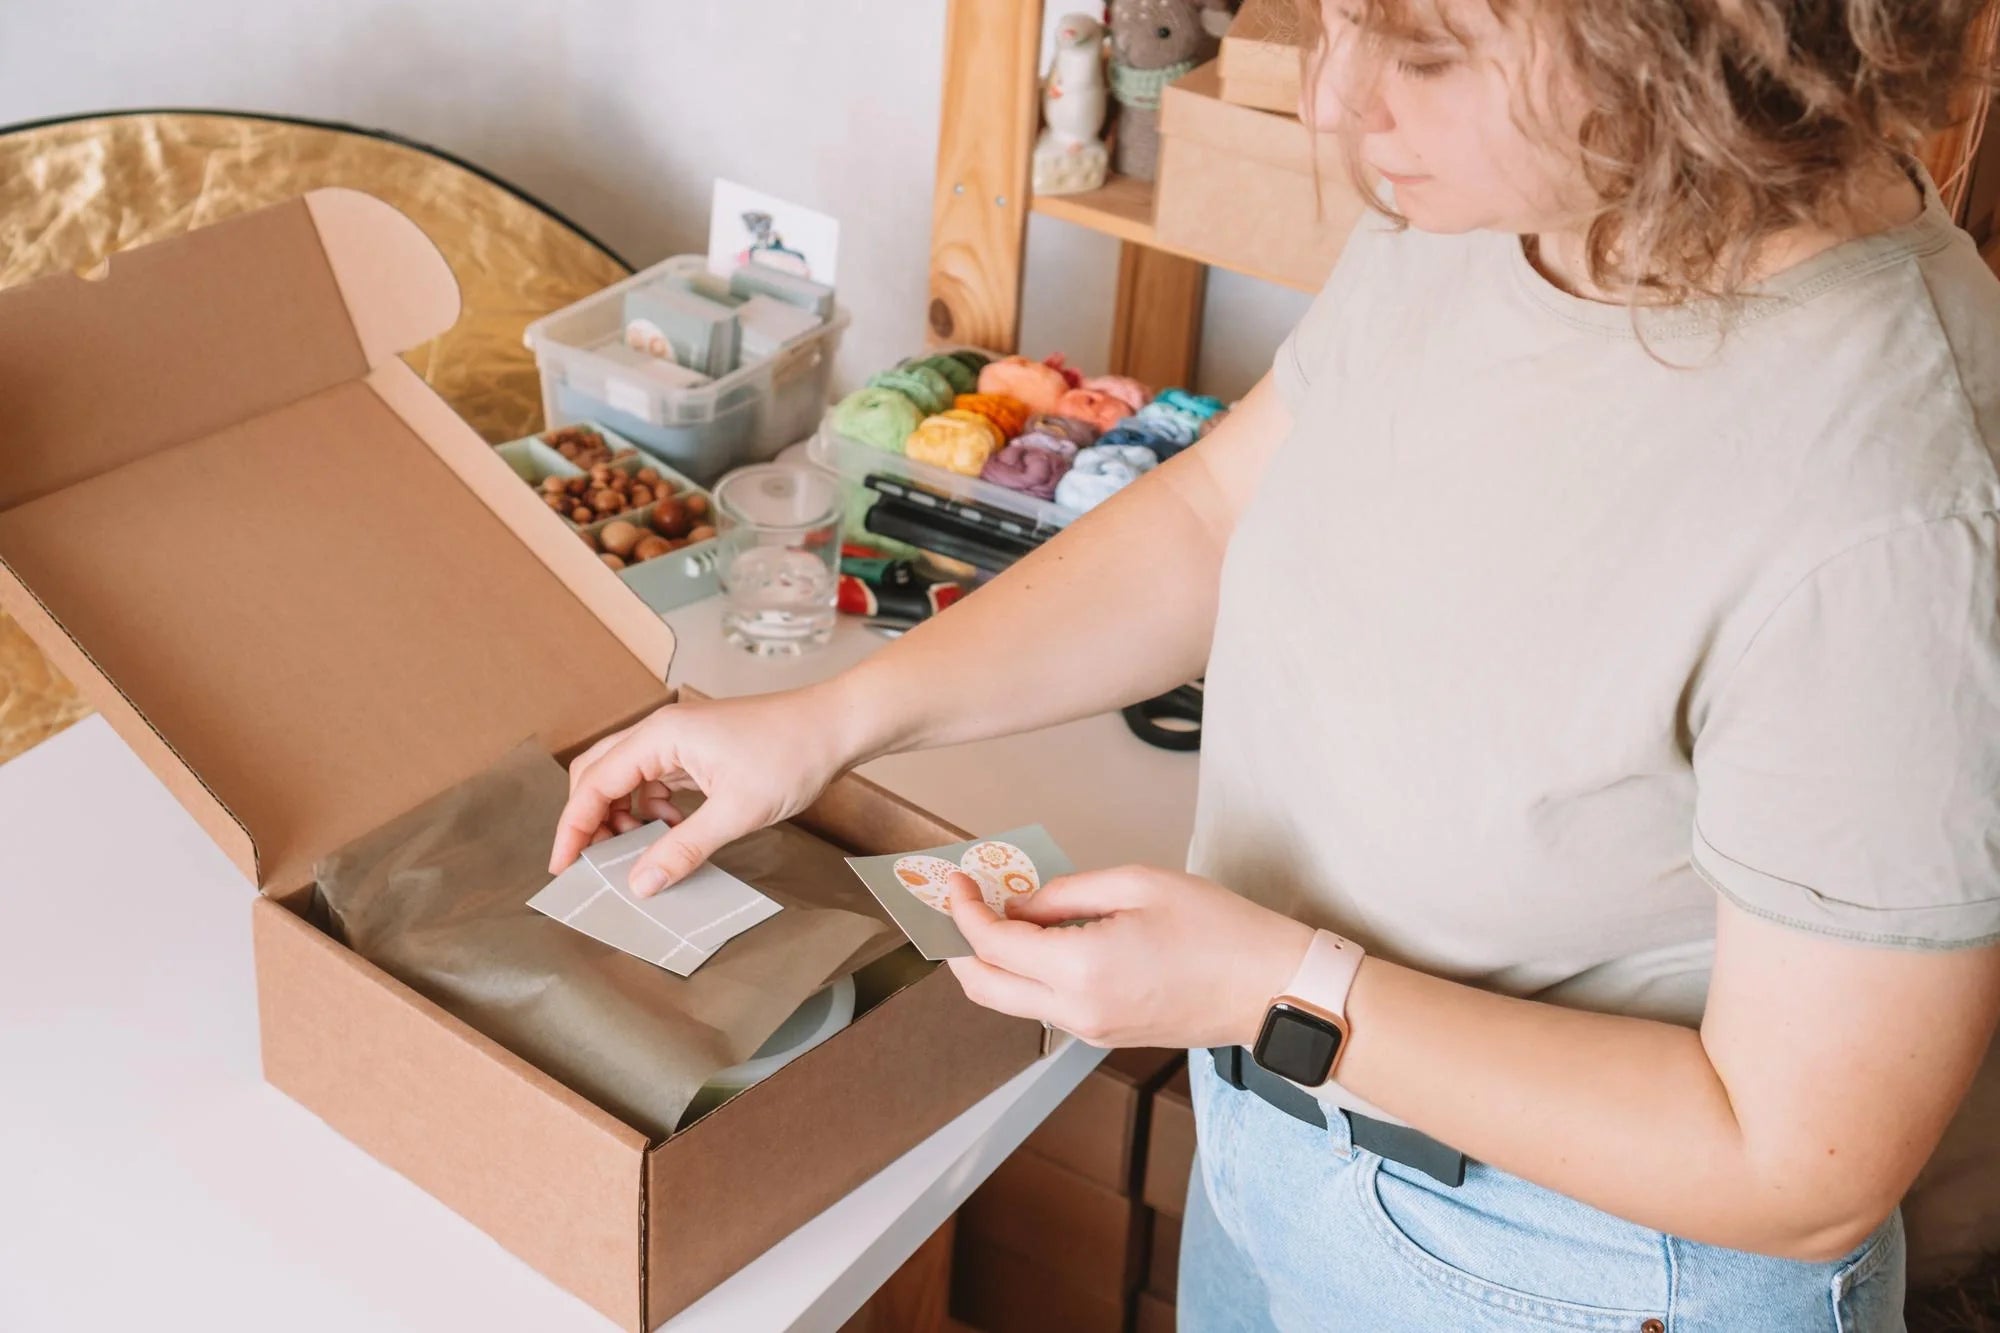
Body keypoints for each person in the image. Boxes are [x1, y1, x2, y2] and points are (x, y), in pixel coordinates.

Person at [549, 0, 2000, 1326]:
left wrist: (1287, 992)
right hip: (1280, 1132)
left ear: (1698, 47)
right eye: (1339, 16)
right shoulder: (1525, 199)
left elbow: (1803, 1161)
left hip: (1571, 1268)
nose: (1335, 103)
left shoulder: (1897, 499)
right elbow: (1213, 512)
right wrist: (832, 720)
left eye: (1424, 51)